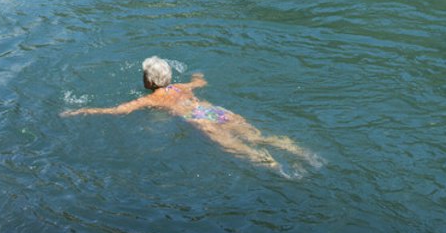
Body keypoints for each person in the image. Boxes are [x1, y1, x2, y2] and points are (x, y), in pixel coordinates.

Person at [63, 57, 320, 175]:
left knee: (237, 148)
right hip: (216, 112)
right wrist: (198, 74)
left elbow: (118, 111)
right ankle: (301, 152)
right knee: (259, 136)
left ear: (149, 81)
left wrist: (81, 110)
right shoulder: (182, 87)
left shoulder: (152, 98)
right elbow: (200, 82)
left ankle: (275, 166)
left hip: (199, 120)